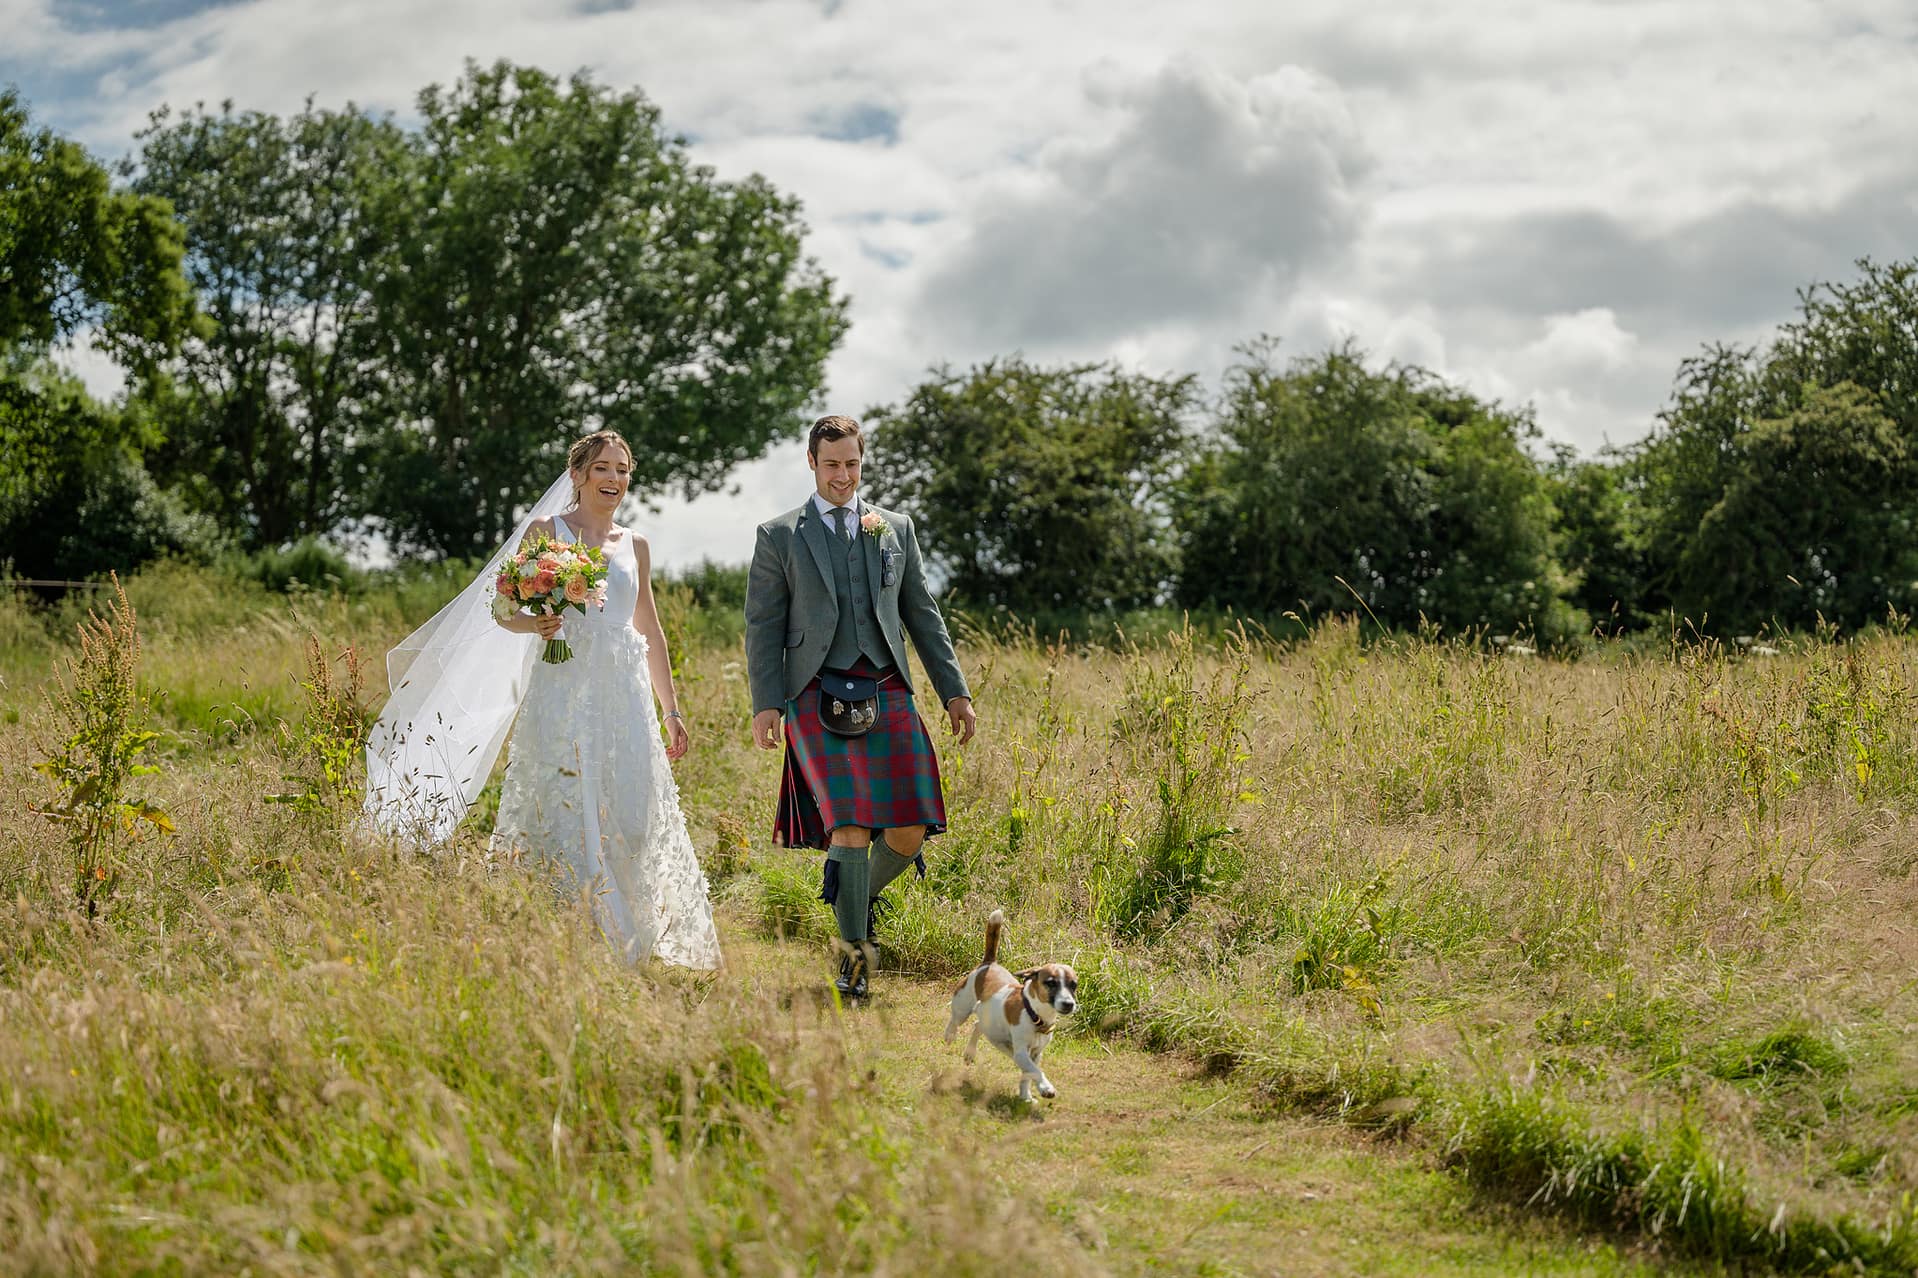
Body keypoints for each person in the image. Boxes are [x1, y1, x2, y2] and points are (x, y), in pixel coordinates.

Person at [365, 430, 720, 971]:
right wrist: (537, 622)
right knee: (564, 805)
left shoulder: (637, 545)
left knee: (633, 811)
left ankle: (640, 925)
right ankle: (575, 934)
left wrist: (670, 710)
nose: (614, 479)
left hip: (624, 696)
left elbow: (649, 626)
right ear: (577, 476)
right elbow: (502, 613)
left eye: (623, 470)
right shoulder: (545, 532)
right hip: (564, 690)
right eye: (602, 468)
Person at [745, 414, 976, 999]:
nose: (842, 475)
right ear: (811, 463)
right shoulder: (779, 535)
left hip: (886, 684)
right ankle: (854, 964)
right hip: (813, 691)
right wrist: (766, 703)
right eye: (831, 465)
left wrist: (955, 691)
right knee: (848, 828)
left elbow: (922, 613)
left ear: (860, 461)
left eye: (851, 464)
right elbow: (763, 625)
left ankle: (856, 892)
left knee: (909, 830)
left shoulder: (894, 527)